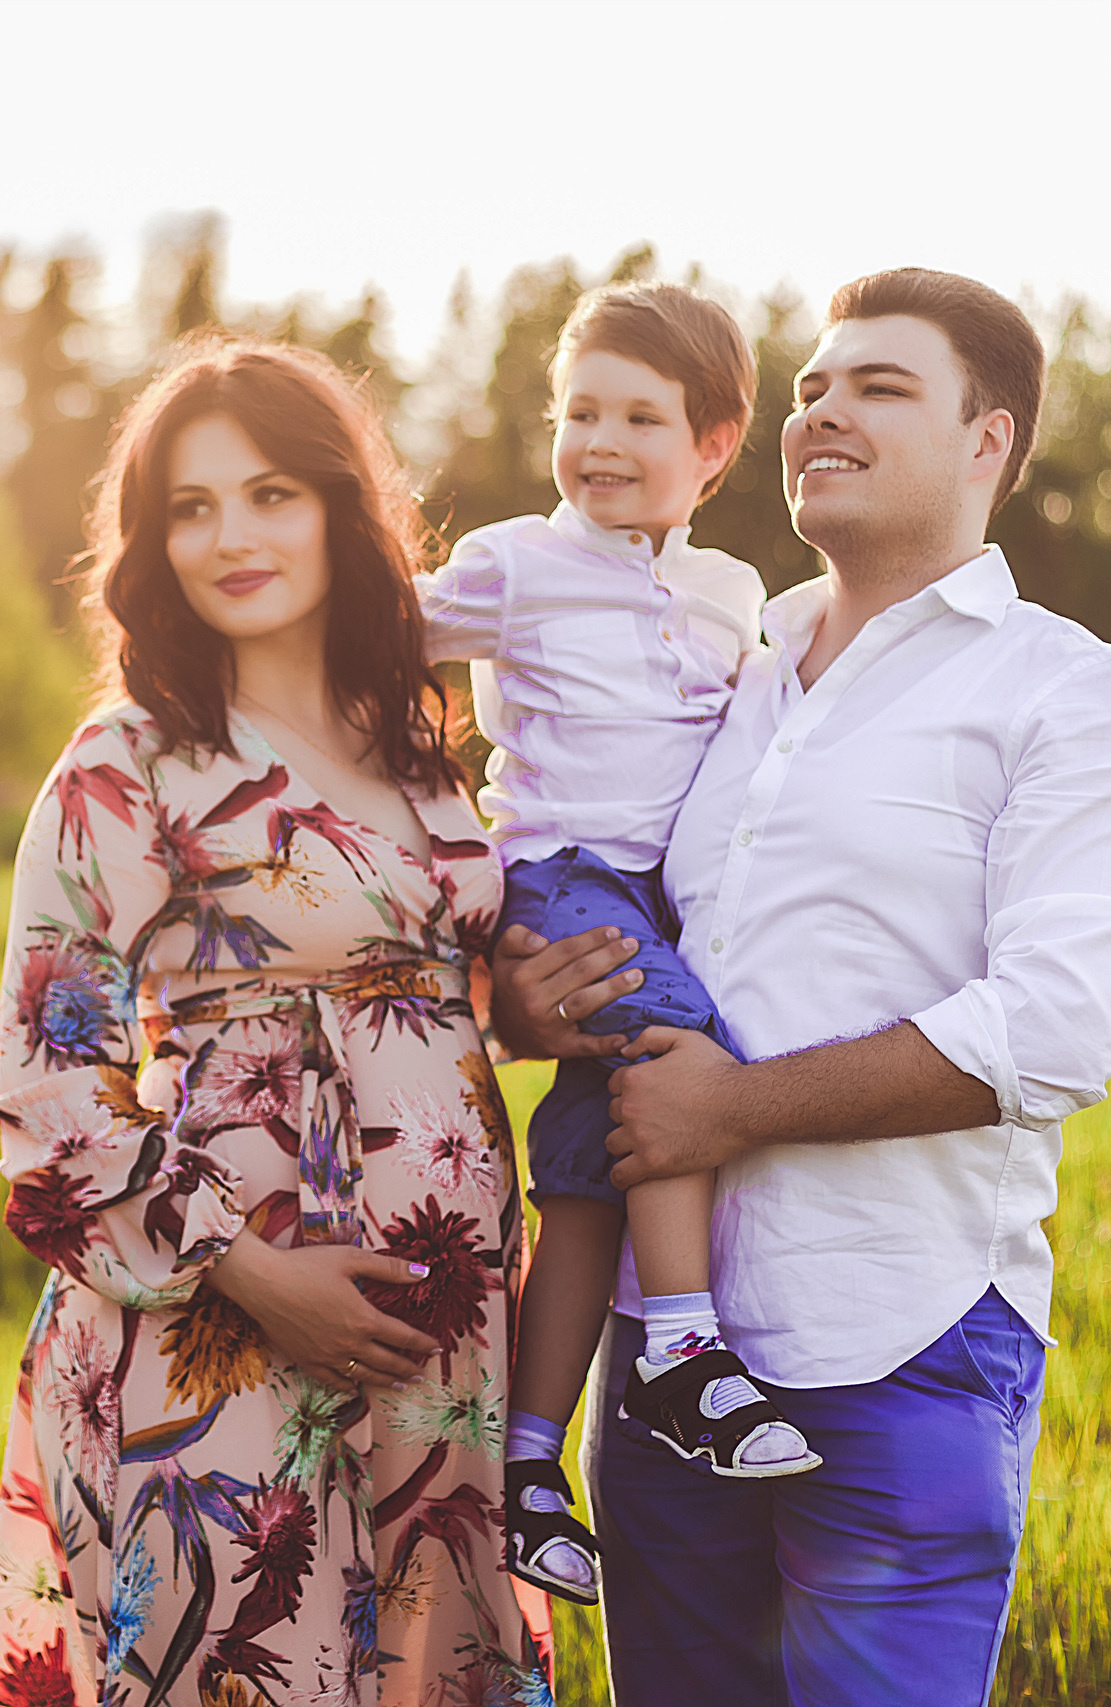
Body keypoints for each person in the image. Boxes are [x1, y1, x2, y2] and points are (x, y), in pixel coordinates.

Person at [493, 269, 1111, 1703]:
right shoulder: (719, 663)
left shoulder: (1066, 692)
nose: (822, 409)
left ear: (988, 440)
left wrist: (736, 1110)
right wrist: (526, 1005)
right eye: (813, 386)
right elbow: (605, 909)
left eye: (879, 386)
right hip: (659, 1361)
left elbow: (1057, 1028)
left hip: (907, 1342)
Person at [0, 339, 550, 1707]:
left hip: (441, 1345)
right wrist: (250, 1274)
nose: (231, 537)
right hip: (223, 1326)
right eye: (191, 506)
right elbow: (51, 1096)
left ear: (343, 509)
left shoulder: (413, 736)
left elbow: (433, 1005)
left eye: (271, 493)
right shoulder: (128, 766)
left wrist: (535, 1002)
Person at [415, 281, 819, 1612]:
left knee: (587, 1177)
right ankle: (685, 1352)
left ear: (713, 447)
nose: (599, 437)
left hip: (661, 897)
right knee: (680, 1056)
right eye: (579, 408)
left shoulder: (730, 590)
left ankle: (530, 1470)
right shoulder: (516, 566)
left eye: (640, 416)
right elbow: (385, 630)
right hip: (562, 871)